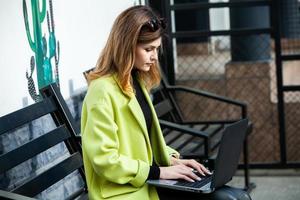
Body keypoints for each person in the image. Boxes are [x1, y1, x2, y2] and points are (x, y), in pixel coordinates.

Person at [81, 5, 252, 200]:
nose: (154, 57)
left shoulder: (135, 81)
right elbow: (104, 161)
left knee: (237, 196)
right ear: (126, 46)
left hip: (148, 183)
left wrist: (172, 161)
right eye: (148, 49)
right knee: (226, 198)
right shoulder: (101, 91)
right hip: (124, 192)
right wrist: (160, 172)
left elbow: (143, 143)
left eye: (156, 49)